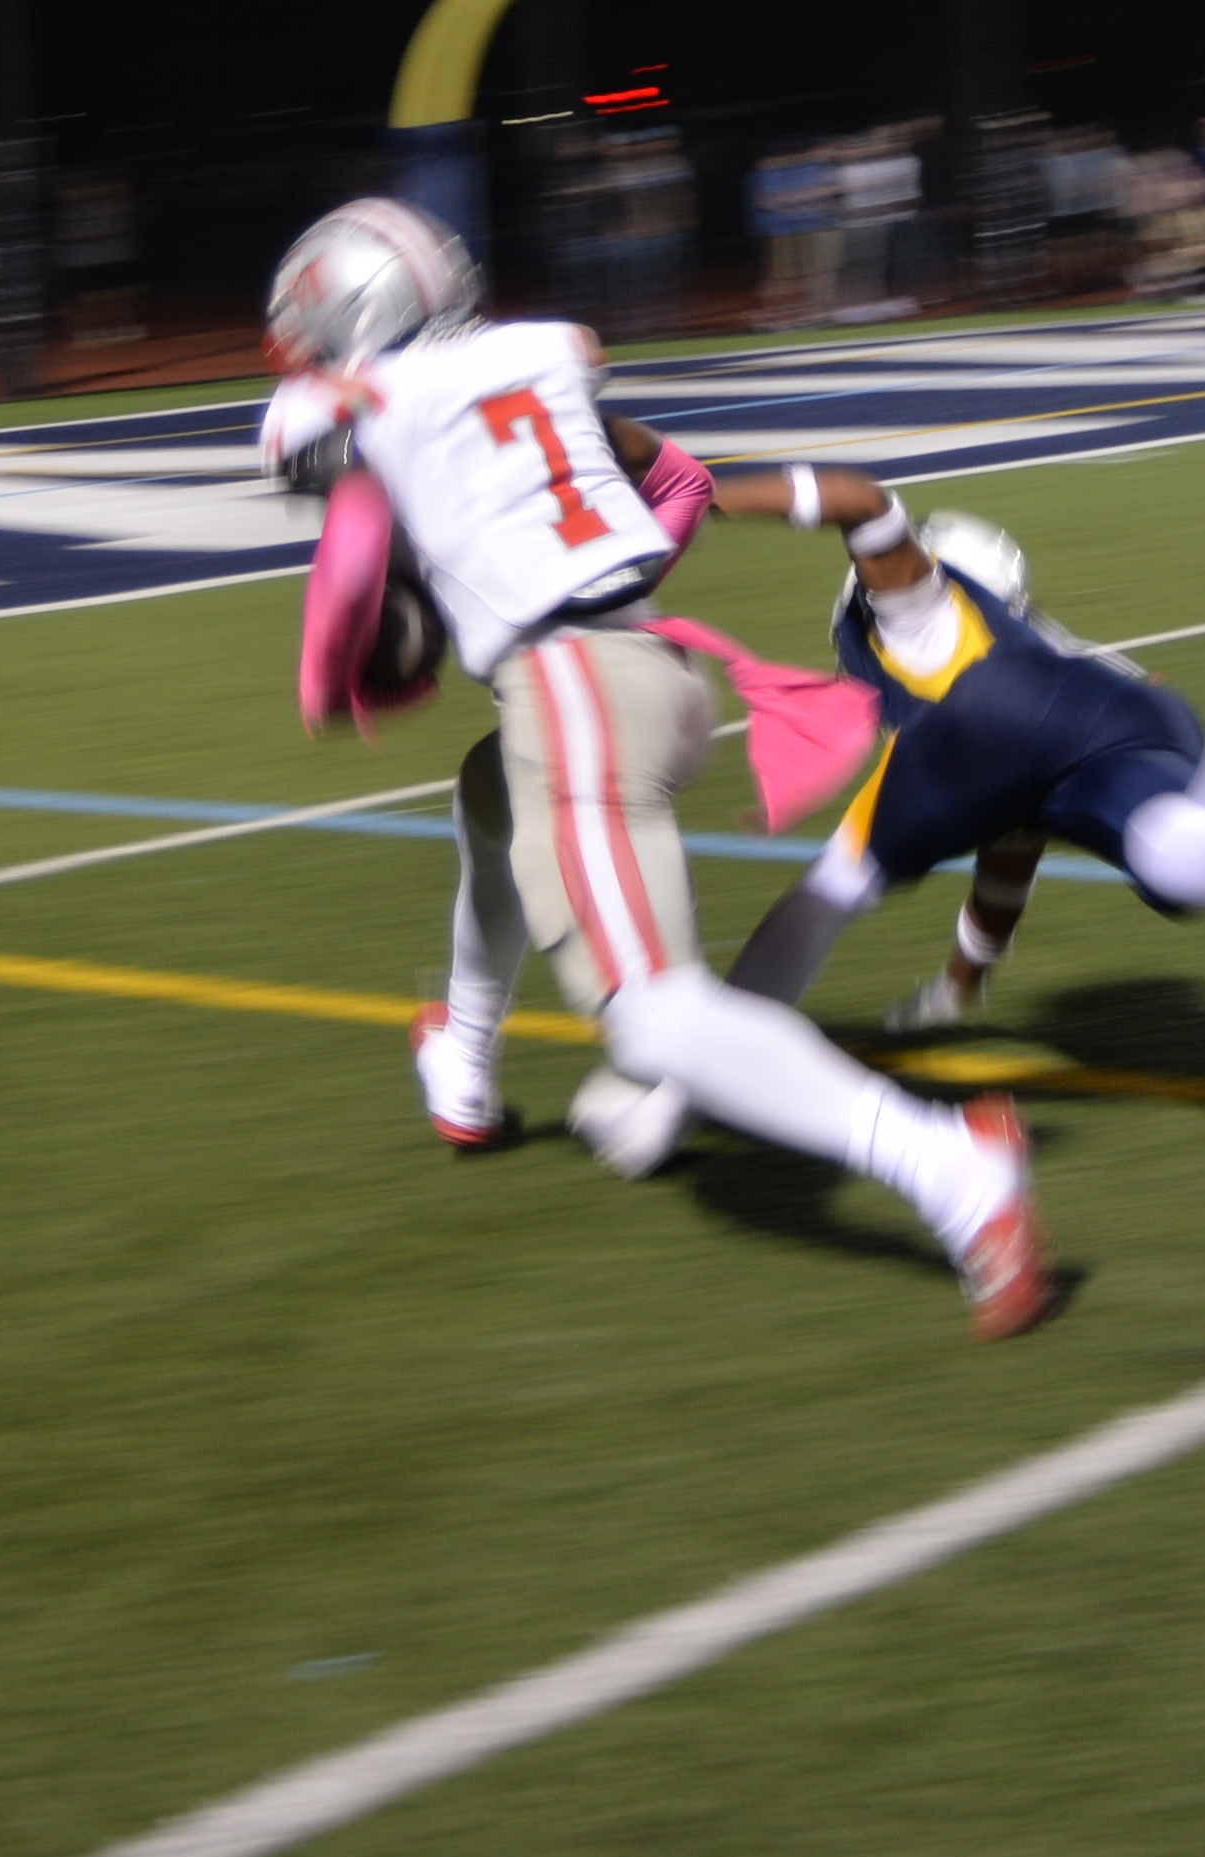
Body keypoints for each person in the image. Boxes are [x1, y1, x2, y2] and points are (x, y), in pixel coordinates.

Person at [258, 196, 1056, 1339]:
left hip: (574, 687)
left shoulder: (353, 399)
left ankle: (953, 1167)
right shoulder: (542, 352)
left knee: (651, 1016)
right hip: (653, 667)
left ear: (354, 306)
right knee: (491, 797)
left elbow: (338, 540)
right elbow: (669, 474)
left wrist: (344, 661)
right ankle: (462, 1061)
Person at [569, 483, 1205, 1175]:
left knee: (818, 904)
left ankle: (677, 1099)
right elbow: (1013, 834)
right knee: (1202, 863)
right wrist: (965, 975)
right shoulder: (1041, 647)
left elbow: (864, 509)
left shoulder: (917, 607)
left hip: (983, 724)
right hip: (1125, 714)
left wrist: (705, 492)